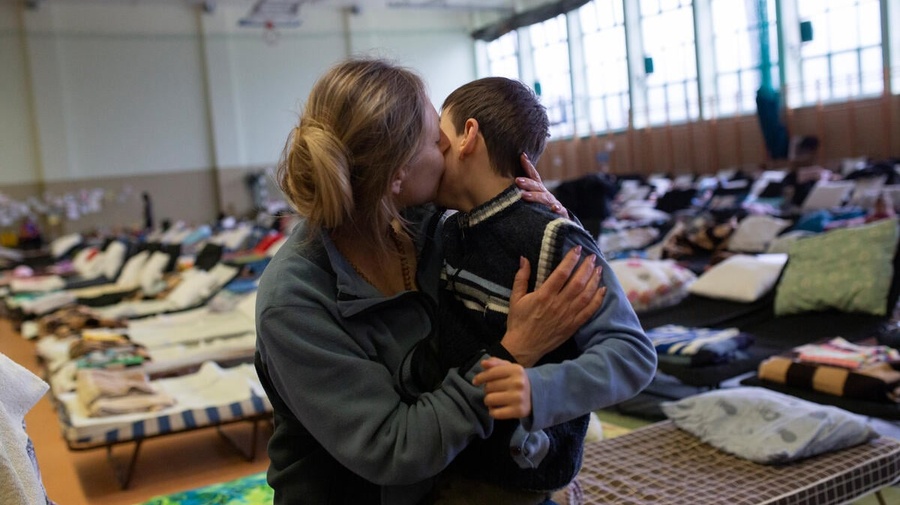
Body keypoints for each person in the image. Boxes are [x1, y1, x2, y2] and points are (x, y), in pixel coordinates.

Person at [254, 58, 607, 505]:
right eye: (433, 138)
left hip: (453, 479)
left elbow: (558, 277)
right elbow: (395, 450)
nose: (447, 142)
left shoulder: (430, 225)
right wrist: (513, 353)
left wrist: (548, 223)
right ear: (396, 174)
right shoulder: (294, 300)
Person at [399, 77, 656, 504]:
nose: (431, 152)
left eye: (437, 138)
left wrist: (539, 388)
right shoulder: (449, 226)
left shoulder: (553, 239)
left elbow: (632, 354)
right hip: (454, 461)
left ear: (468, 136)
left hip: (514, 480)